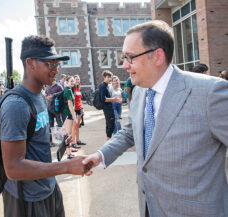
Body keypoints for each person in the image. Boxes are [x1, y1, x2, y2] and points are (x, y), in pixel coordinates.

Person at [82, 20, 228, 217]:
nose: (124, 65)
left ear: (158, 56)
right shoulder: (140, 92)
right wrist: (100, 155)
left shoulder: (210, 92)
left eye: (130, 57)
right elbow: (130, 132)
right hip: (150, 207)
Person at [0, 35, 86, 217]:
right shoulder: (16, 104)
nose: (55, 70)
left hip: (48, 187)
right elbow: (13, 168)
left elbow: (33, 135)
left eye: (56, 64)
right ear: (31, 63)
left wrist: (56, 139)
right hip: (28, 200)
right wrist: (67, 167)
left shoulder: (39, 95)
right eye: (50, 64)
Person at [98, 70, 121, 140]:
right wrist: (113, 99)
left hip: (110, 107)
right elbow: (103, 99)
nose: (110, 79)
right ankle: (108, 141)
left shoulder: (107, 85)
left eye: (110, 77)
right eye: (108, 77)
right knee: (110, 125)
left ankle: (109, 140)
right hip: (107, 108)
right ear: (104, 77)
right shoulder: (102, 86)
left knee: (111, 125)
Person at [62, 76, 79, 159]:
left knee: (66, 133)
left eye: (73, 81)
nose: (73, 82)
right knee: (68, 135)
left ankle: (69, 149)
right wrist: (74, 117)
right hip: (68, 114)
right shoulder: (68, 91)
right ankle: (69, 154)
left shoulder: (68, 90)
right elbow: (70, 105)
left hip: (66, 114)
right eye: (71, 81)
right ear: (67, 82)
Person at [71, 75, 86, 146]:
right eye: (76, 79)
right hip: (74, 110)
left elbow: (79, 100)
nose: (77, 81)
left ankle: (78, 140)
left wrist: (82, 108)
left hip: (79, 109)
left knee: (77, 126)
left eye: (78, 79)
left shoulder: (78, 89)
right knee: (73, 127)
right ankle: (73, 142)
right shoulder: (72, 89)